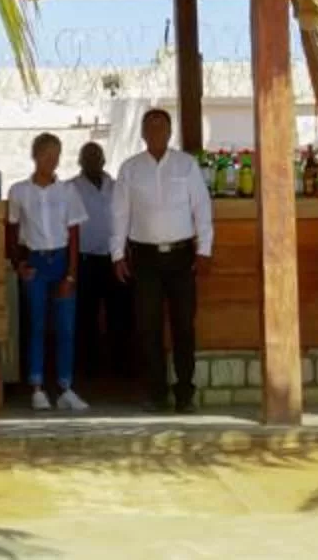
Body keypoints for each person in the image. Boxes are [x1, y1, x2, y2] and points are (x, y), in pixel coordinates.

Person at [111, 106, 212, 411]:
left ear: (170, 132)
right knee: (148, 327)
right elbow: (120, 213)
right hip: (144, 258)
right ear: (142, 133)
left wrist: (204, 249)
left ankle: (185, 393)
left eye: (161, 126)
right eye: (150, 126)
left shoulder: (186, 165)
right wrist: (117, 253)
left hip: (182, 257)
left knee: (184, 326)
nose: (155, 131)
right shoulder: (130, 169)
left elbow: (202, 208)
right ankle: (156, 393)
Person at [3, 132, 89, 411]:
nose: (51, 161)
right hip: (36, 263)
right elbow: (11, 230)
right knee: (37, 325)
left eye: (56, 156)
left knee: (66, 327)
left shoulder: (67, 191)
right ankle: (37, 387)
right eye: (46, 155)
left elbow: (74, 234)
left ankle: (65, 387)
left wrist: (72, 274)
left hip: (62, 260)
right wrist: (19, 264)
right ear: (35, 156)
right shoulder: (19, 191)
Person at [70, 140, 125, 380]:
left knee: (119, 314)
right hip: (84, 260)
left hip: (114, 259)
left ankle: (120, 367)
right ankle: (88, 368)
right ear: (81, 161)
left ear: (103, 160)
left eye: (97, 157)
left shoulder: (116, 187)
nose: (93, 161)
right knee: (85, 316)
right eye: (88, 157)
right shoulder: (70, 188)